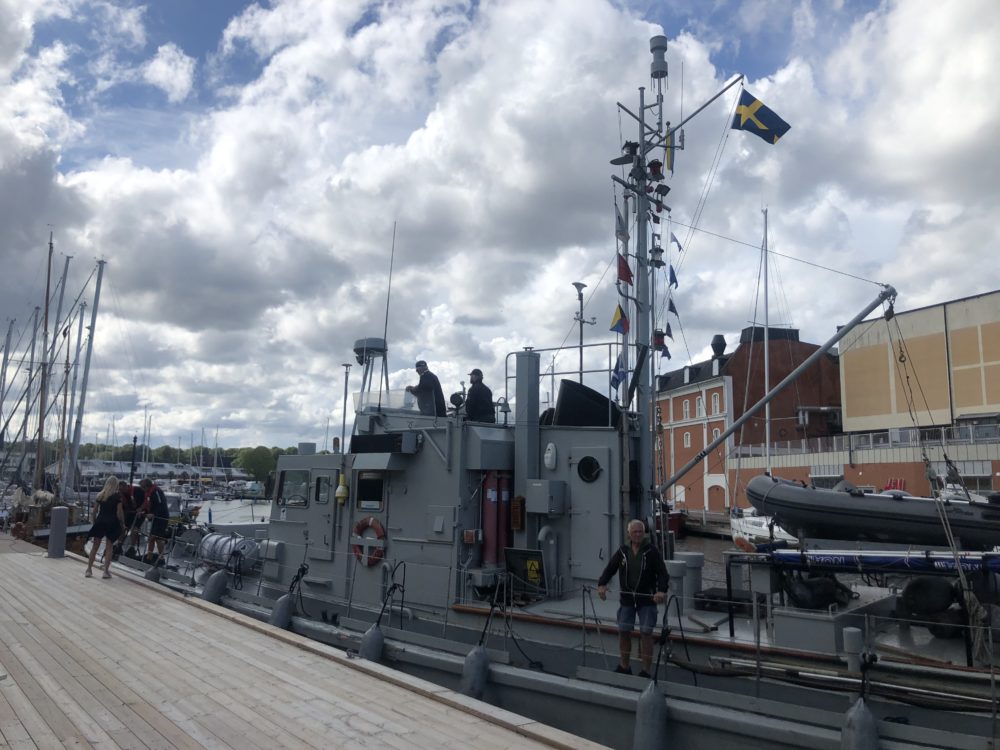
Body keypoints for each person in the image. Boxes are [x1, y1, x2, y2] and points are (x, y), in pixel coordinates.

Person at [597, 519, 669, 677]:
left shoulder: (651, 551)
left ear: (644, 533)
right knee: (623, 631)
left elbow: (663, 573)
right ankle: (624, 666)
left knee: (646, 633)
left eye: (640, 532)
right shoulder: (623, 551)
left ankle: (646, 671)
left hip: (646, 599)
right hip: (627, 598)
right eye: (635, 531)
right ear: (628, 533)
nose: (638, 534)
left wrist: (661, 591)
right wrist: (601, 584)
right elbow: (610, 568)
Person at [84, 476, 125, 579]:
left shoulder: (100, 495)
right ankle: (105, 572)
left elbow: (94, 511)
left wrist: (94, 522)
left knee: (95, 547)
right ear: (116, 485)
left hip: (100, 521)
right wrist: (122, 523)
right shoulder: (117, 496)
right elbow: (119, 513)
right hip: (112, 522)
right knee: (109, 547)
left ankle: (89, 570)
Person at [139, 478, 170, 563]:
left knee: (158, 538)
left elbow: (161, 505)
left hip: (161, 517)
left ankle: (161, 558)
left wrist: (154, 514)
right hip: (154, 518)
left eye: (143, 487)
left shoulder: (156, 491)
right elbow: (149, 505)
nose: (142, 489)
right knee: (152, 538)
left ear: (147, 486)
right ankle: (150, 557)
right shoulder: (149, 493)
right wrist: (144, 511)